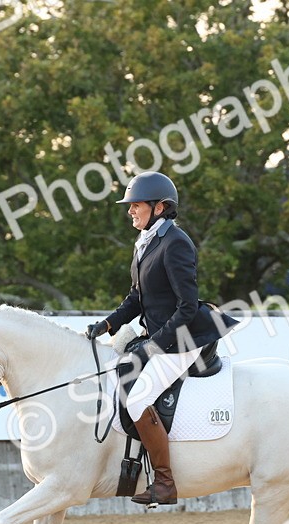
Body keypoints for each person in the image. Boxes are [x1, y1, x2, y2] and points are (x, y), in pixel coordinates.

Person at [85, 171, 239, 505]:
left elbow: (185, 308)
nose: (130, 211)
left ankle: (166, 483)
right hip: (159, 335)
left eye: (136, 205)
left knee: (138, 399)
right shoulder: (145, 244)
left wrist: (153, 348)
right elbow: (136, 299)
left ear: (160, 207)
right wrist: (108, 325)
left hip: (185, 338)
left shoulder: (176, 242)